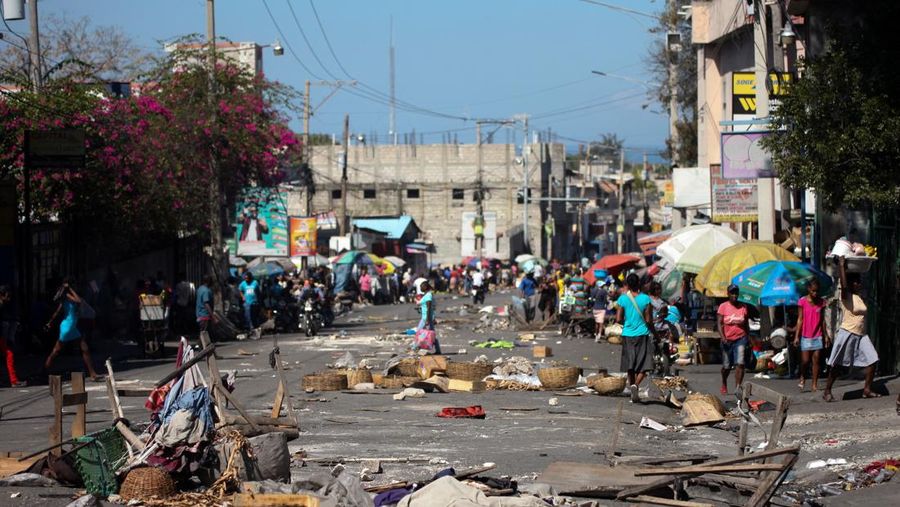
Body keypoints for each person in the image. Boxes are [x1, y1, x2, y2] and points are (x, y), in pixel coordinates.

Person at [823, 256, 880, 402]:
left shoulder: (858, 297)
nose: (859, 284)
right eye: (856, 282)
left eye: (859, 281)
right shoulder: (846, 296)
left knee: (873, 360)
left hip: (861, 335)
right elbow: (844, 284)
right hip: (847, 333)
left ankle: (867, 389)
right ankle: (827, 391)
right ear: (850, 283)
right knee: (837, 365)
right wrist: (842, 266)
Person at [44, 279, 101, 381]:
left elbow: (57, 312)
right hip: (69, 326)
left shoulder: (64, 299)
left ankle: (45, 370)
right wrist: (70, 288)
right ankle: (92, 373)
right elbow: (79, 301)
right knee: (81, 349)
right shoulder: (67, 296)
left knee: (58, 351)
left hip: (70, 326)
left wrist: (50, 322)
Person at [615, 273, 654, 403]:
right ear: (639, 284)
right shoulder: (646, 299)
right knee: (644, 363)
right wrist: (656, 334)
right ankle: (636, 385)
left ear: (627, 284)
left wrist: (628, 324)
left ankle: (632, 386)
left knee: (629, 363)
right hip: (642, 334)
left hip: (627, 334)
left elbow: (618, 319)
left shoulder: (623, 299)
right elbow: (649, 320)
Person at [795, 279, 828, 392]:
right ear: (808, 289)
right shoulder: (802, 301)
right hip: (805, 336)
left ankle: (814, 384)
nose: (815, 293)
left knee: (816, 360)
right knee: (805, 361)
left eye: (817, 291)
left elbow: (823, 320)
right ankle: (803, 376)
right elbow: (800, 319)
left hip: (817, 335)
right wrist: (796, 336)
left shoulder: (822, 302)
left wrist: (826, 335)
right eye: (813, 291)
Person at [717, 284, 750, 395]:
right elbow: (719, 323)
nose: (734, 295)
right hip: (727, 340)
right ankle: (724, 382)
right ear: (728, 294)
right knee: (727, 366)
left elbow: (746, 324)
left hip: (741, 338)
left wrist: (748, 338)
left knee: (740, 363)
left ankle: (737, 388)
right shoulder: (723, 306)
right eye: (732, 293)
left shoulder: (743, 307)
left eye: (736, 293)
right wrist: (723, 337)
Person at [0, 286, 24, 387]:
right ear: (2, 295)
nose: (9, 298)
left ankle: (13, 380)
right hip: (2, 337)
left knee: (9, 355)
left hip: (3, 337)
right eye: (7, 296)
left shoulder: (4, 305)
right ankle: (13, 380)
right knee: (9, 355)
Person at [416, 281, 441, 354]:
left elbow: (429, 307)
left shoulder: (428, 296)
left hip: (427, 318)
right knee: (430, 334)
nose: (420, 288)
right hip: (425, 317)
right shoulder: (426, 295)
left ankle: (417, 347)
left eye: (421, 286)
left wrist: (427, 319)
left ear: (425, 287)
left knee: (421, 332)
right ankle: (437, 350)